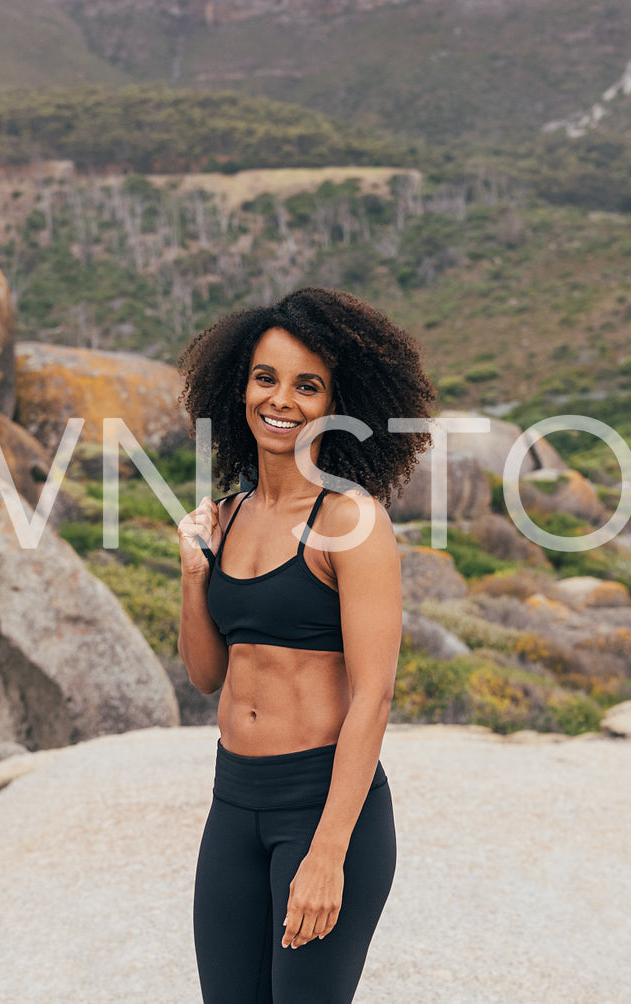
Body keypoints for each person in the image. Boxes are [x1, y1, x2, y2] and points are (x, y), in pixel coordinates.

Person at [175, 287, 435, 1003]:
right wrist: (194, 574)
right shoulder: (225, 516)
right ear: (240, 386)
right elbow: (204, 674)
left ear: (335, 404)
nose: (280, 400)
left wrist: (328, 854)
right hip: (232, 805)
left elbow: (373, 696)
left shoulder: (351, 520)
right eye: (266, 378)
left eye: (306, 385)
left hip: (319, 809)